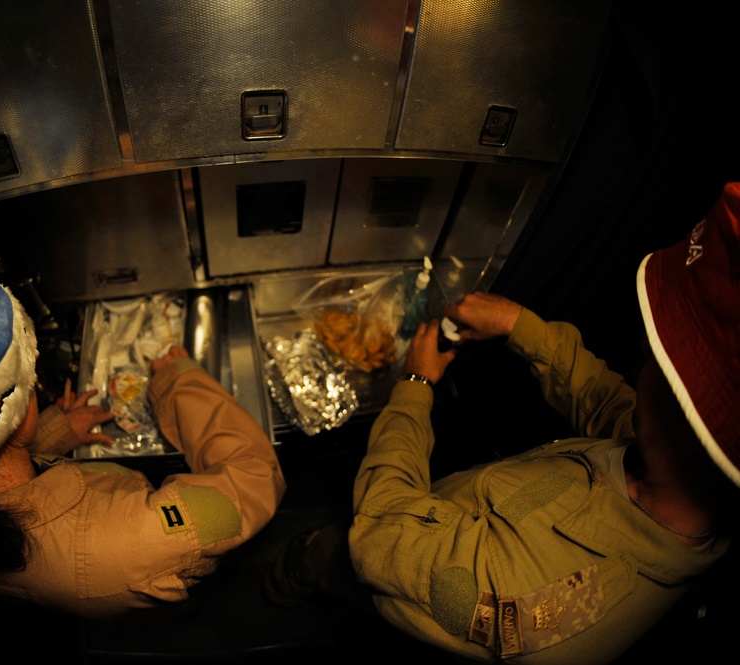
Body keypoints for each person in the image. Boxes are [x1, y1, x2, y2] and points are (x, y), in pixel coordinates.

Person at [266, 181, 739, 663]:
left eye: (661, 359)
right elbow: (607, 402)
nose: (642, 354)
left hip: (381, 552)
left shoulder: (520, 594)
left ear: (693, 418)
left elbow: (380, 531)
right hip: (434, 519)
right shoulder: (676, 471)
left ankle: (286, 579)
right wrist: (518, 324)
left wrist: (416, 382)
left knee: (328, 557)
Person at [0, 270, 285, 618]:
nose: (38, 390)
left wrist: (49, 434)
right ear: (12, 410)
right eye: (31, 383)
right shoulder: (138, 540)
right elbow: (256, 478)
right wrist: (179, 382)